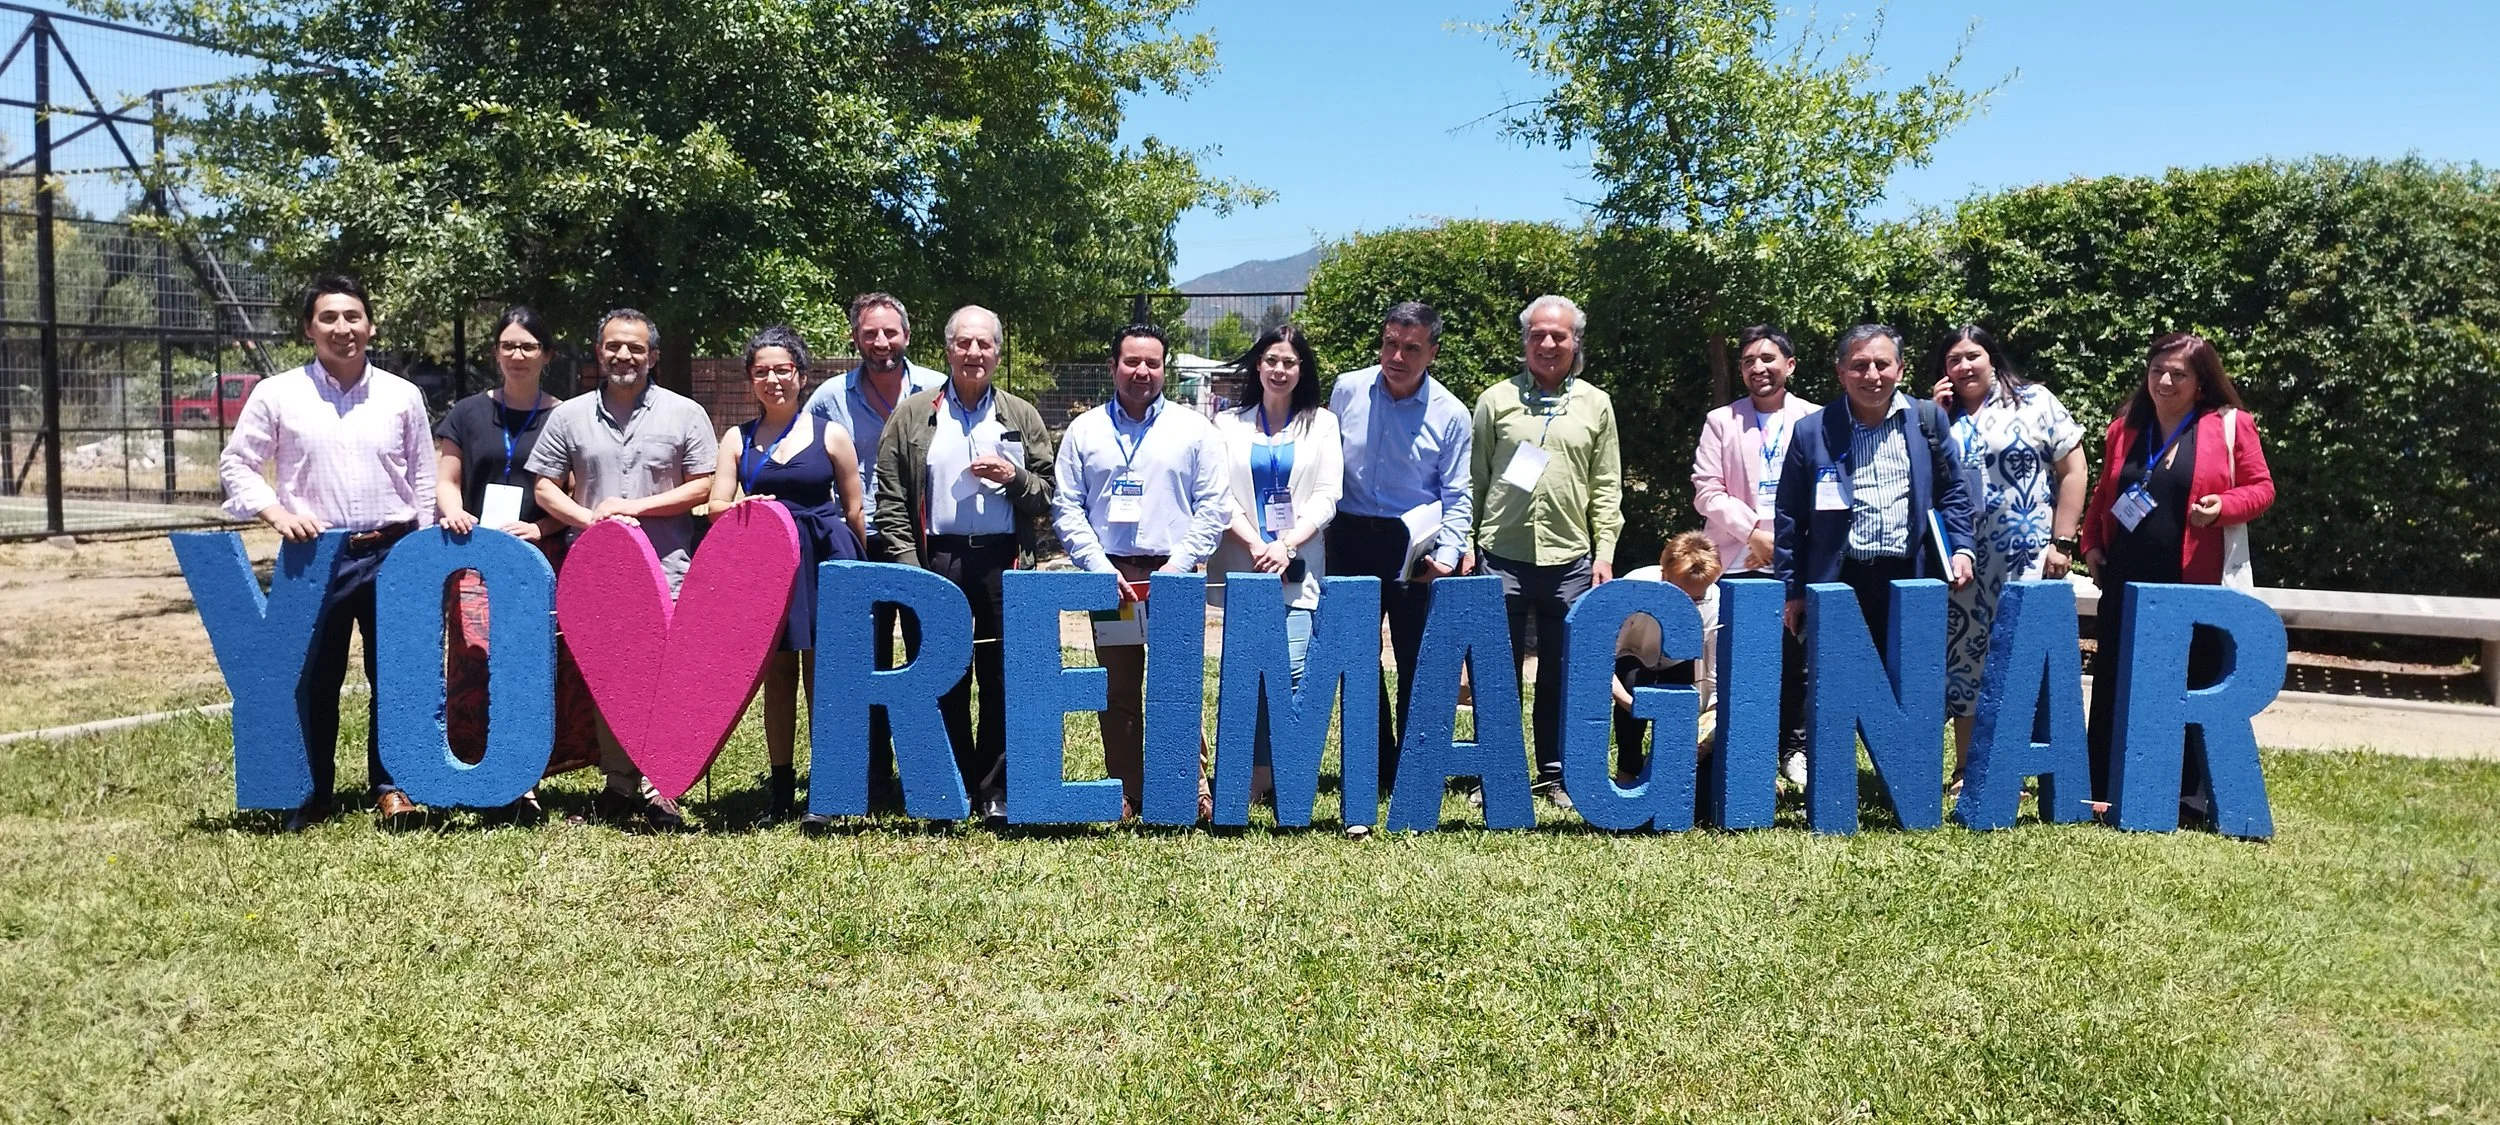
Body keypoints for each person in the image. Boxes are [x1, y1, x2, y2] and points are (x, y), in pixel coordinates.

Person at [217, 274, 436, 831]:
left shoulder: (401, 395)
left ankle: (394, 787)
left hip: (394, 550)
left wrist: (425, 550)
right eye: (329, 318)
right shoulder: (277, 394)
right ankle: (311, 791)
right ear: (308, 328)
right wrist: (277, 513)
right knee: (314, 676)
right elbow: (237, 464)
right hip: (314, 554)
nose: (343, 328)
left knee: (398, 673)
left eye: (353, 317)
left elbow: (425, 478)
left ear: (371, 324)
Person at [525, 308, 718, 829]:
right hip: (598, 575)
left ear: (652, 356)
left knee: (664, 680)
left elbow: (702, 485)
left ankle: (664, 787)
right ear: (598, 352)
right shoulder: (568, 417)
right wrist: (593, 522)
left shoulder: (685, 413)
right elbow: (544, 485)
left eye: (635, 348)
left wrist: (634, 511)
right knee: (609, 680)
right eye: (613, 346)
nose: (623, 356)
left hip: (668, 569)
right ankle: (619, 785)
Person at [873, 305, 1059, 827]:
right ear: (948, 349)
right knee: (941, 674)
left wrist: (1012, 476)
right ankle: (948, 786)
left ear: (998, 353)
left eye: (985, 344)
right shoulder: (912, 414)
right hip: (938, 559)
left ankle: (995, 790)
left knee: (1002, 676)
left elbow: (1047, 496)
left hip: (1003, 558)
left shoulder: (1021, 415)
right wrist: (914, 570)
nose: (974, 353)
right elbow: (889, 499)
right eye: (964, 343)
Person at [1773, 324, 1977, 789]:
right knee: (1832, 686)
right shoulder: (1812, 431)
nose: (1872, 374)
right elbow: (1788, 518)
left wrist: (1962, 548)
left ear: (1900, 370)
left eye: (1882, 364)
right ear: (1841, 372)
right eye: (1860, 365)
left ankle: (1906, 781)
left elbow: (1954, 494)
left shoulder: (1928, 420)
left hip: (1912, 576)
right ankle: (1832, 782)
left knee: (1911, 684)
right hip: (1839, 580)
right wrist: (1793, 589)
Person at [2080, 332, 2273, 813]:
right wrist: (2091, 544)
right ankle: (2102, 787)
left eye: (2178, 374)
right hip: (2125, 579)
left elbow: (2261, 489)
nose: (2164, 381)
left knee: (2189, 680)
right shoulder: (2124, 427)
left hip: (2192, 583)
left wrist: (2224, 506)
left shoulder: (2229, 425)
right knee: (2114, 680)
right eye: (2156, 371)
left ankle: (2185, 795)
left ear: (2201, 383)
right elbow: (2106, 494)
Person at [1051, 323, 1229, 820]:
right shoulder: (1085, 431)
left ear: (1164, 368)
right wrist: (1097, 566)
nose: (1142, 371)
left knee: (1179, 684)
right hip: (1115, 580)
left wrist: (1177, 564)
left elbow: (1214, 506)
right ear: (1113, 367)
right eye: (1131, 361)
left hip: (1174, 578)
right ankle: (1128, 791)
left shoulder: (1193, 430)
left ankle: (1190, 788)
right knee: (1119, 689)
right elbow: (1067, 507)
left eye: (1152, 362)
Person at [433, 305, 600, 818]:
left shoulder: (566, 416)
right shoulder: (464, 413)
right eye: (509, 345)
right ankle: (480, 764)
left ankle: (526, 776)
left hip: (539, 556)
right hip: (474, 556)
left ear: (547, 354)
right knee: (476, 656)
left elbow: (572, 493)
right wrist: (455, 513)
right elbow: (446, 480)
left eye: (529, 346)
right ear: (495, 353)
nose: (518, 354)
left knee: (537, 664)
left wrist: (543, 527)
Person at [707, 325, 867, 827]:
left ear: (800, 374)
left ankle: (827, 791)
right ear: (751, 379)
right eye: (762, 372)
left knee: (824, 676)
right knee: (777, 678)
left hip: (825, 561)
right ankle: (779, 793)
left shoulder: (830, 433)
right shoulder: (737, 437)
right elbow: (714, 502)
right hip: (766, 568)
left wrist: (861, 570)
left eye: (782, 370)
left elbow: (855, 506)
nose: (773, 380)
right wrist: (737, 508)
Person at [1469, 295, 1623, 806]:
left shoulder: (1596, 404)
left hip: (1572, 561)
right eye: (1537, 334)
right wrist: (1470, 546)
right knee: (1498, 672)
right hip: (1500, 553)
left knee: (1562, 672)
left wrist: (1604, 551)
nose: (1548, 343)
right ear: (1525, 341)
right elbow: (1476, 479)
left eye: (1559, 335)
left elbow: (1606, 485)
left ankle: (1555, 773)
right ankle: (1496, 772)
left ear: (1576, 341)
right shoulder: (1495, 400)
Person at [1924, 325, 2087, 793]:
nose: (1963, 367)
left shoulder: (2034, 400)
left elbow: (2073, 468)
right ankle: (1966, 769)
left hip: (2026, 554)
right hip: (1962, 560)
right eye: (1953, 360)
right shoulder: (1938, 416)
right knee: (1964, 658)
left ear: (1992, 358)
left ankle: (2017, 765)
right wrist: (1935, 417)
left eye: (1972, 356)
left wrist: (2064, 540)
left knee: (2019, 656)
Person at [803, 292, 946, 808]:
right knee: (861, 658)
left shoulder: (937, 389)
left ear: (907, 335)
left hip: (919, 542)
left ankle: (930, 770)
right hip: (853, 545)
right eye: (870, 333)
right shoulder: (828, 399)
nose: (881, 342)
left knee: (926, 654)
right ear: (855, 338)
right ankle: (867, 774)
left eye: (890, 332)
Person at [1326, 301, 1472, 805]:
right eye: (1390, 343)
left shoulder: (1451, 413)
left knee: (1417, 659)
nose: (1397, 356)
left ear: (1432, 351)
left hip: (1414, 546)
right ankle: (1372, 762)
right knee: (1356, 658)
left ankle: (1414, 766)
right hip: (1348, 537)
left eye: (1412, 348)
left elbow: (1458, 493)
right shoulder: (1347, 388)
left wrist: (1449, 554)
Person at [1207, 324, 1342, 807]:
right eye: (1270, 360)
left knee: (1292, 669)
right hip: (1244, 563)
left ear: (1301, 369)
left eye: (1289, 361)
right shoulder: (1227, 425)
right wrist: (1256, 544)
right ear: (1257, 366)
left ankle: (1281, 770)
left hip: (1298, 562)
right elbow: (1218, 496)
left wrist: (1286, 545)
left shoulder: (1322, 424)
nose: (1279, 369)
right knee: (1247, 671)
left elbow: (1328, 495)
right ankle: (1250, 775)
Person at [1691, 324, 1820, 779]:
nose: (1758, 368)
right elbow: (1707, 491)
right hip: (1737, 557)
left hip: (1797, 557)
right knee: (1738, 662)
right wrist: (1754, 535)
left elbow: (1826, 489)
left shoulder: (1816, 419)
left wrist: (1784, 543)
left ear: (1790, 364)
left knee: (1799, 659)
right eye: (1748, 361)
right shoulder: (1721, 421)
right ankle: (1743, 754)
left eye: (1767, 358)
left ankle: (1796, 749)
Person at [1609, 531, 1724, 786]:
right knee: (1633, 688)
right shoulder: (1635, 586)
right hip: (1633, 653)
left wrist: (1711, 716)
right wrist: (1629, 703)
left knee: (1684, 704)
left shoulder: (1714, 598)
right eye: (1680, 596)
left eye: (1698, 599)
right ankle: (1627, 770)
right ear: (1664, 574)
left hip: (1678, 660)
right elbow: (1602, 658)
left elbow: (1714, 670)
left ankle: (1666, 777)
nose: (1690, 606)